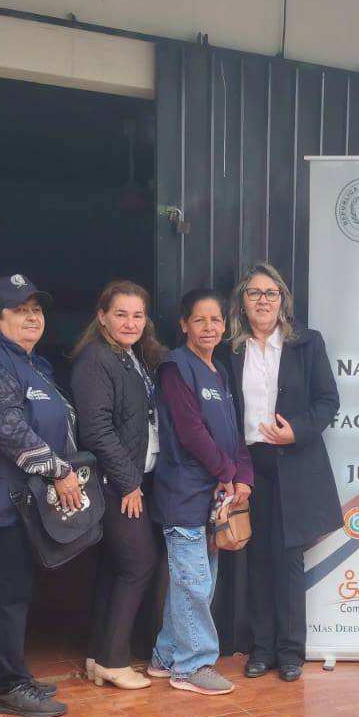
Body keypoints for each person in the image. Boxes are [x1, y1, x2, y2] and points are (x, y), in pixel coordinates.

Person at [0, 275, 84, 717]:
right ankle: (9, 685)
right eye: (19, 310)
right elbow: (10, 431)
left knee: (16, 590)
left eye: (36, 310)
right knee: (9, 593)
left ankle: (2, 678)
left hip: (22, 498)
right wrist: (59, 470)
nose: (32, 318)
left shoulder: (32, 364)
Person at [224, 262, 341, 683]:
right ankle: (262, 649)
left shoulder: (307, 343)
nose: (263, 300)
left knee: (288, 557)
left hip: (293, 463)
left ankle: (291, 651)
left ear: (282, 301)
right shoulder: (229, 349)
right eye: (254, 293)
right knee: (256, 557)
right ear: (243, 302)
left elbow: (328, 401)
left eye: (270, 293)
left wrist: (296, 430)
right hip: (248, 464)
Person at [151, 288, 253, 695]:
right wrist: (226, 472)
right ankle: (192, 665)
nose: (209, 327)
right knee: (193, 582)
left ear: (224, 325)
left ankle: (165, 657)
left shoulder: (219, 371)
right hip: (184, 493)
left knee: (195, 582)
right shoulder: (176, 368)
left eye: (216, 319)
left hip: (215, 494)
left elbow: (234, 432)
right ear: (184, 325)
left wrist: (242, 476)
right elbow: (191, 431)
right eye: (199, 319)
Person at [70, 281, 165, 691]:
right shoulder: (96, 359)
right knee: (139, 563)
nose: (130, 323)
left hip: (131, 479)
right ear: (102, 316)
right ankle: (114, 660)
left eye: (138, 315)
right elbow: (96, 430)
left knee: (116, 566)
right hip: (116, 483)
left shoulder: (131, 356)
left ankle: (99, 657)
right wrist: (129, 483)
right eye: (121, 314)